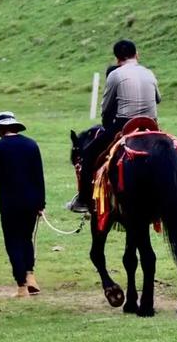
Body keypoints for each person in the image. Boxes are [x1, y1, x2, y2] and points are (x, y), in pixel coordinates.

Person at [67, 39, 161, 213]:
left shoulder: (115, 75)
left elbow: (106, 107)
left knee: (87, 154)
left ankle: (84, 200)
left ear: (117, 59)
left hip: (124, 124)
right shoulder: (149, 73)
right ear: (137, 54)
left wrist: (107, 123)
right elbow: (158, 99)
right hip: (152, 125)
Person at [0, 111, 45, 298]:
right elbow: (39, 177)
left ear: (0, 130)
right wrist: (41, 203)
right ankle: (30, 276)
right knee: (26, 238)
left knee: (13, 241)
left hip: (9, 204)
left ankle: (22, 286)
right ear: (15, 126)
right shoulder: (31, 145)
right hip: (31, 203)